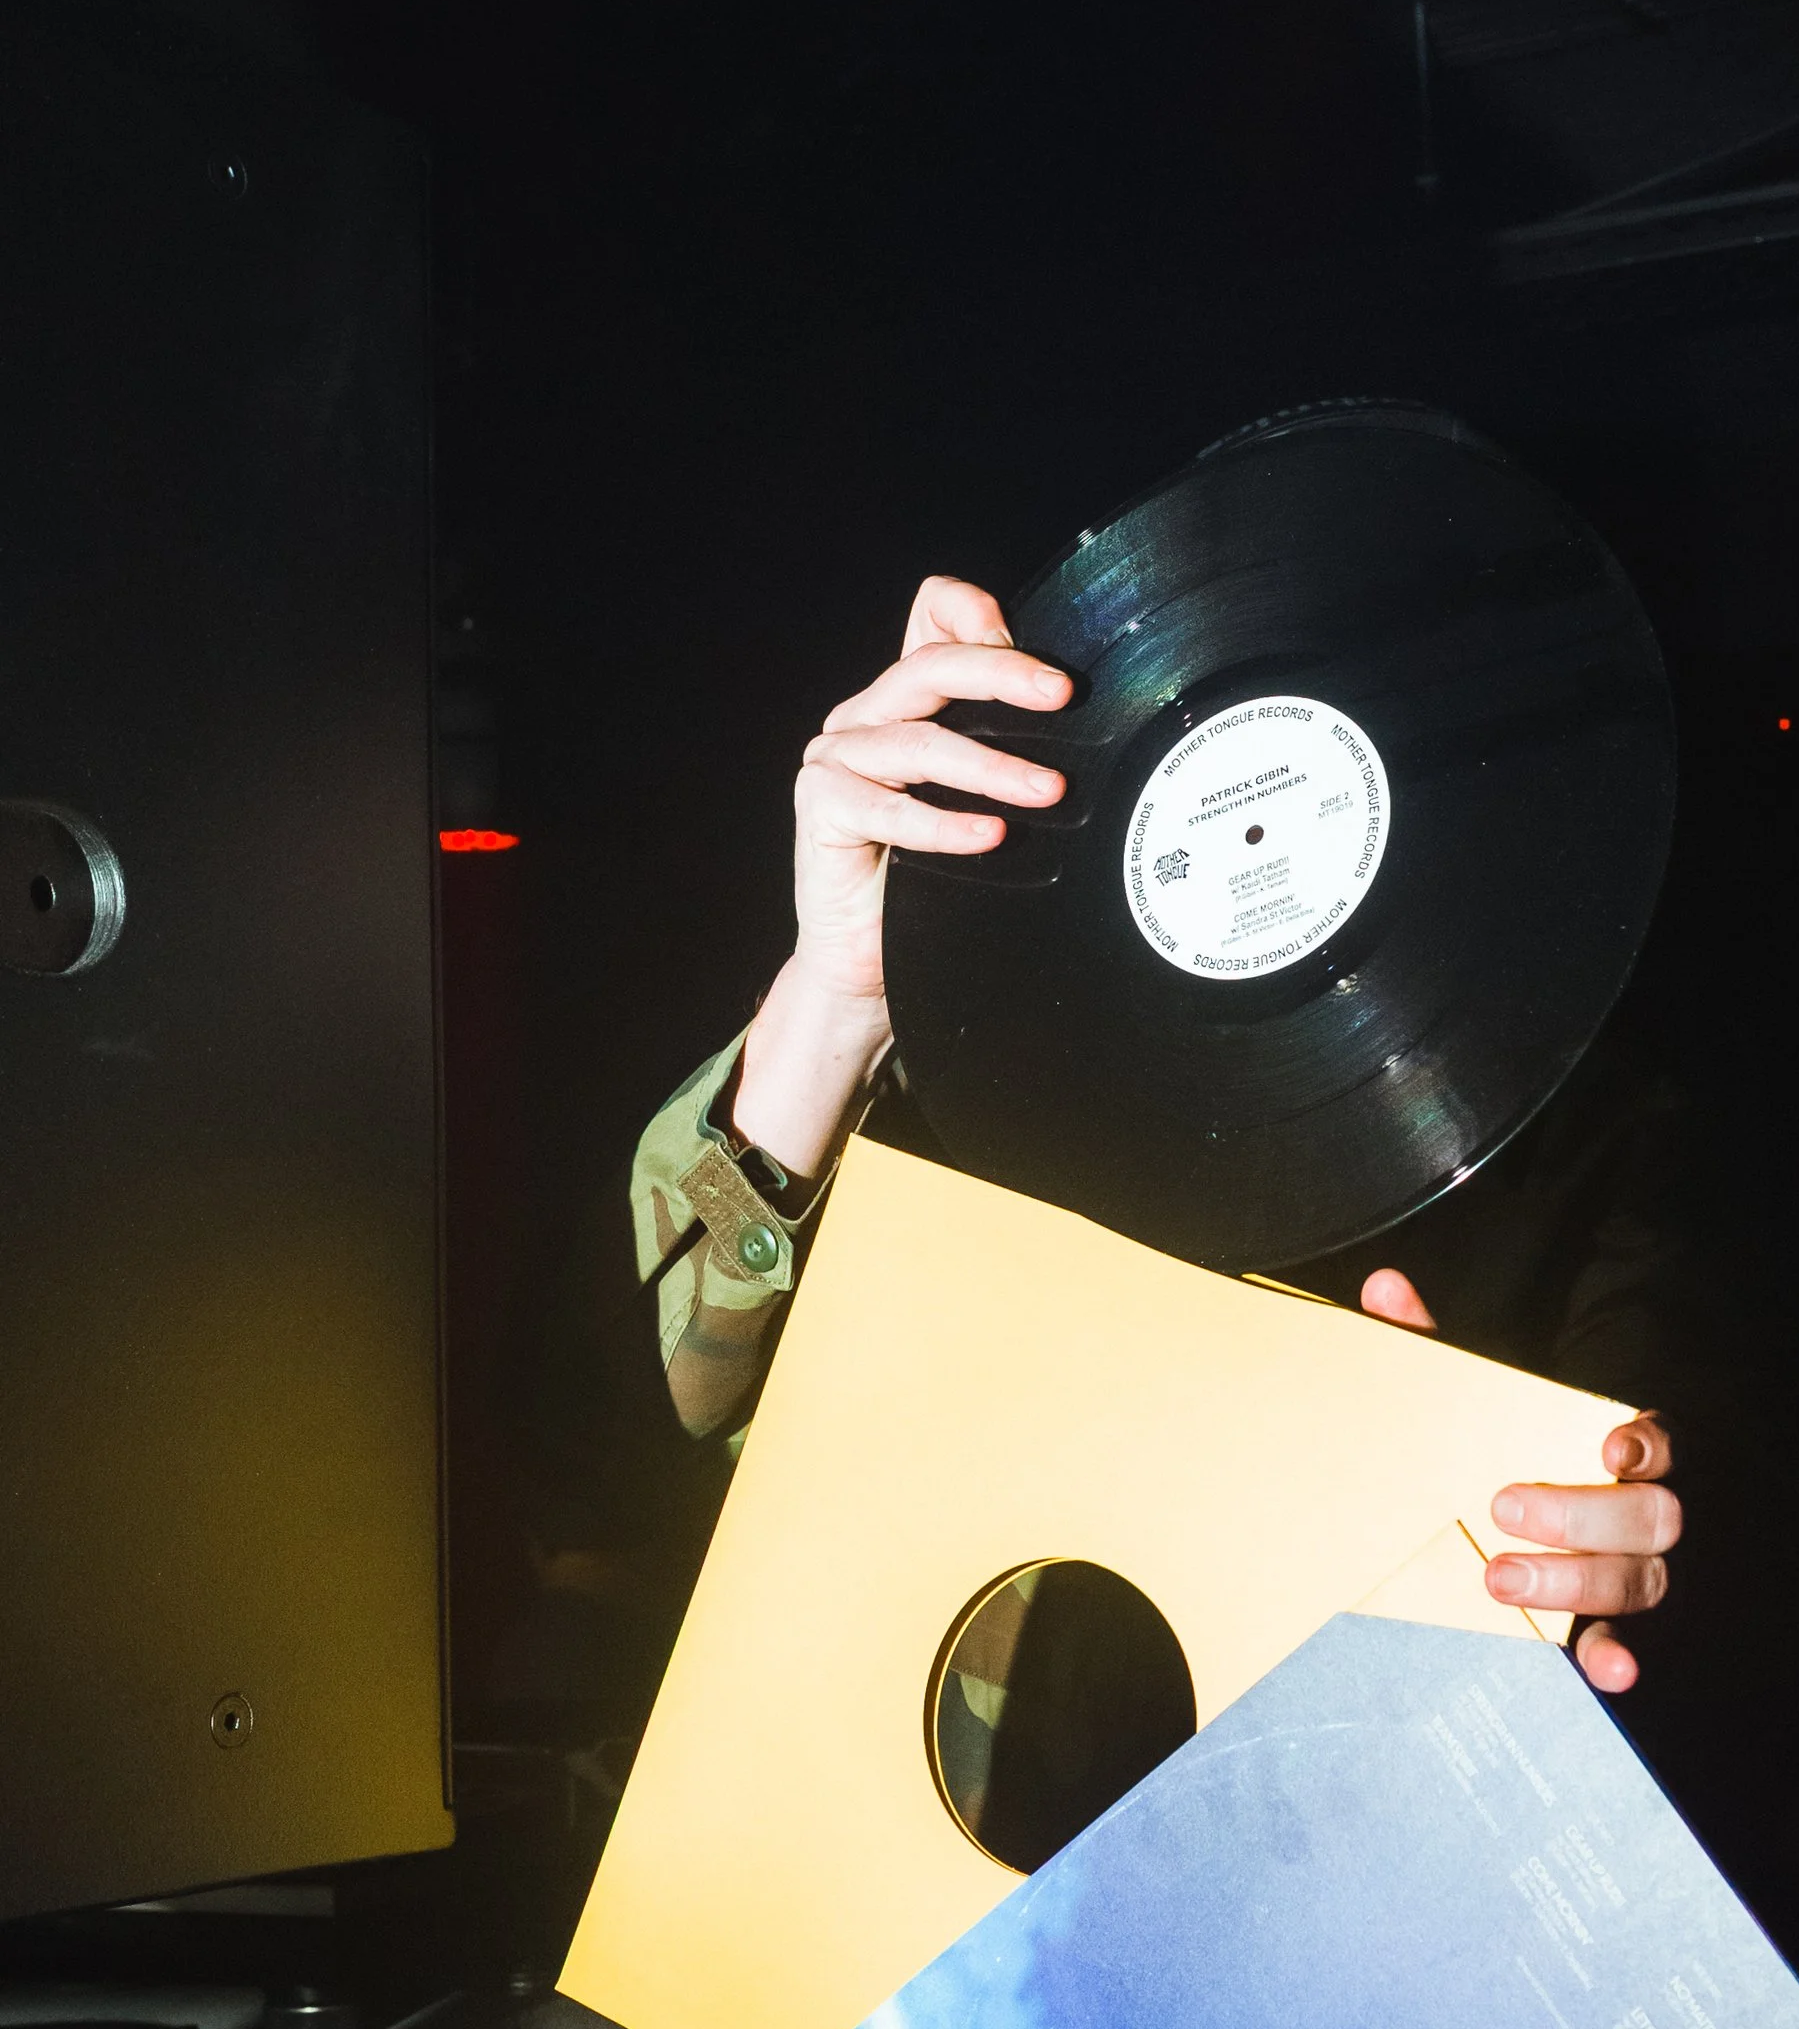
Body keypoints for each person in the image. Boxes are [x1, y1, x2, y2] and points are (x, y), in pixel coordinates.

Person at [575, 576, 1678, 1701]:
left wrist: (1569, 1554)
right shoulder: (957, 1064)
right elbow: (613, 1449)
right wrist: (841, 998)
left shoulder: (1575, 1142)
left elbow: (1664, 1546)